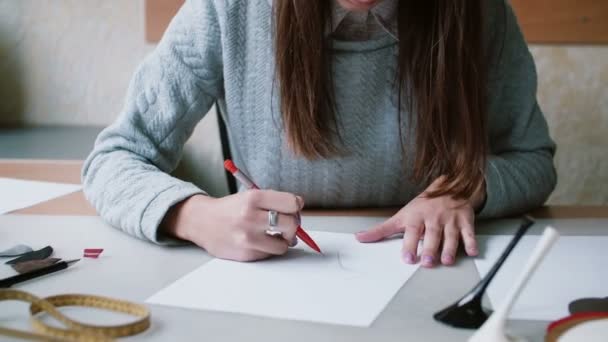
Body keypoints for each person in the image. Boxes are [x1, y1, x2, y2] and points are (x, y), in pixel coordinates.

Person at [82, 0, 556, 268]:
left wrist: (465, 189)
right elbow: (114, 158)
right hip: (274, 279)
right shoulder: (226, 9)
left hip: (431, 271)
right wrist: (193, 215)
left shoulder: (480, 12)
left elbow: (532, 157)